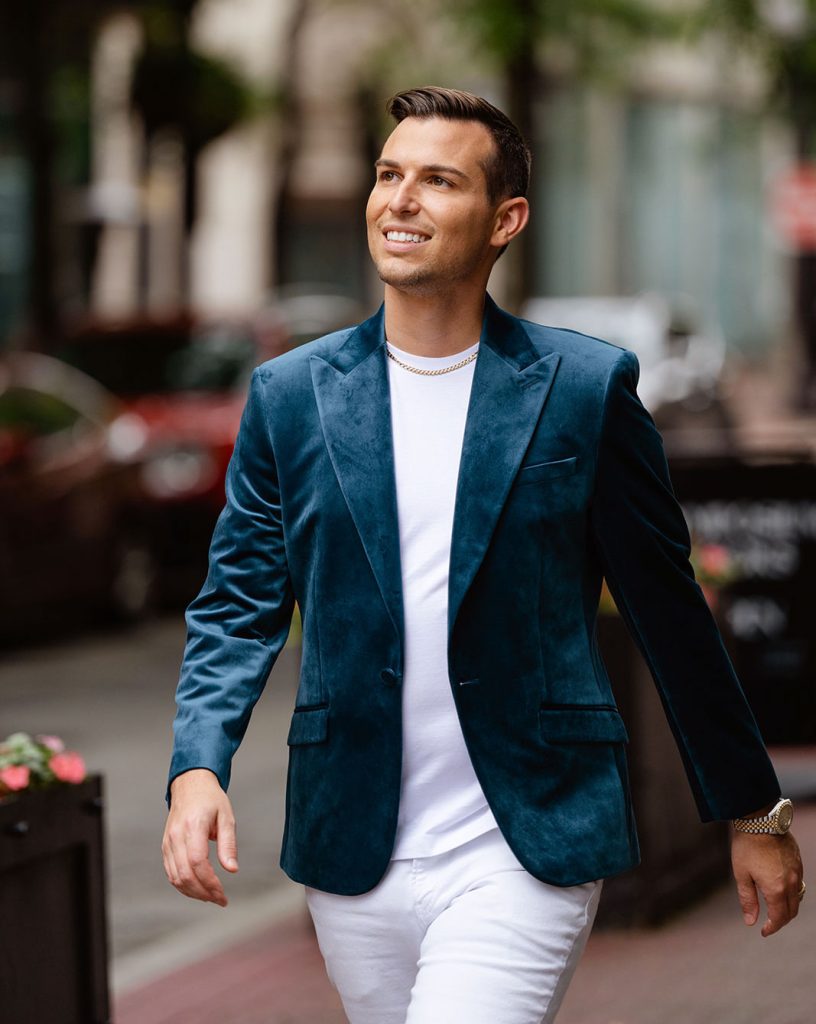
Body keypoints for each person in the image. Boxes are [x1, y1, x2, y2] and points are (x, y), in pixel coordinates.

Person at [162, 87, 805, 1023]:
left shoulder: (583, 389)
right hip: (353, 846)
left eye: (437, 180)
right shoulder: (291, 397)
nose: (400, 199)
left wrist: (753, 809)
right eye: (388, 175)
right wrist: (196, 767)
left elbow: (669, 609)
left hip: (527, 837)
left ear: (506, 219)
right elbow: (238, 603)